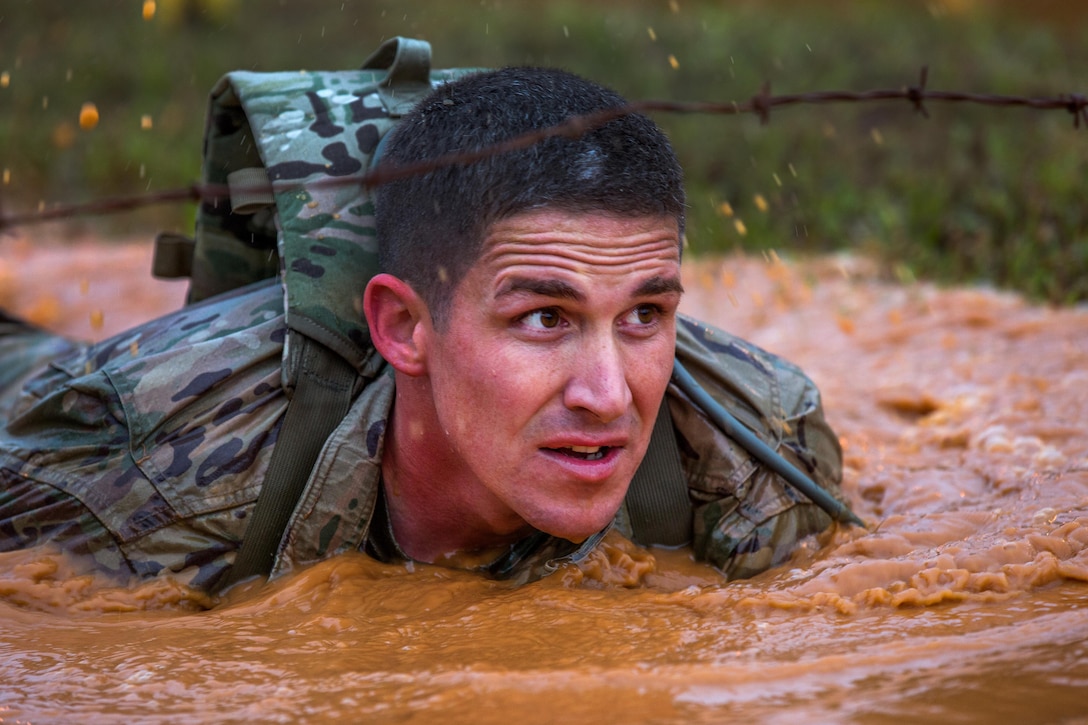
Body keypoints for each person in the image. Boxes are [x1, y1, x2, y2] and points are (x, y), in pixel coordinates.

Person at [0, 67, 845, 594]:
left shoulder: (759, 459)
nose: (609, 395)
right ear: (405, 326)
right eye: (545, 317)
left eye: (644, 316)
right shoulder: (132, 474)